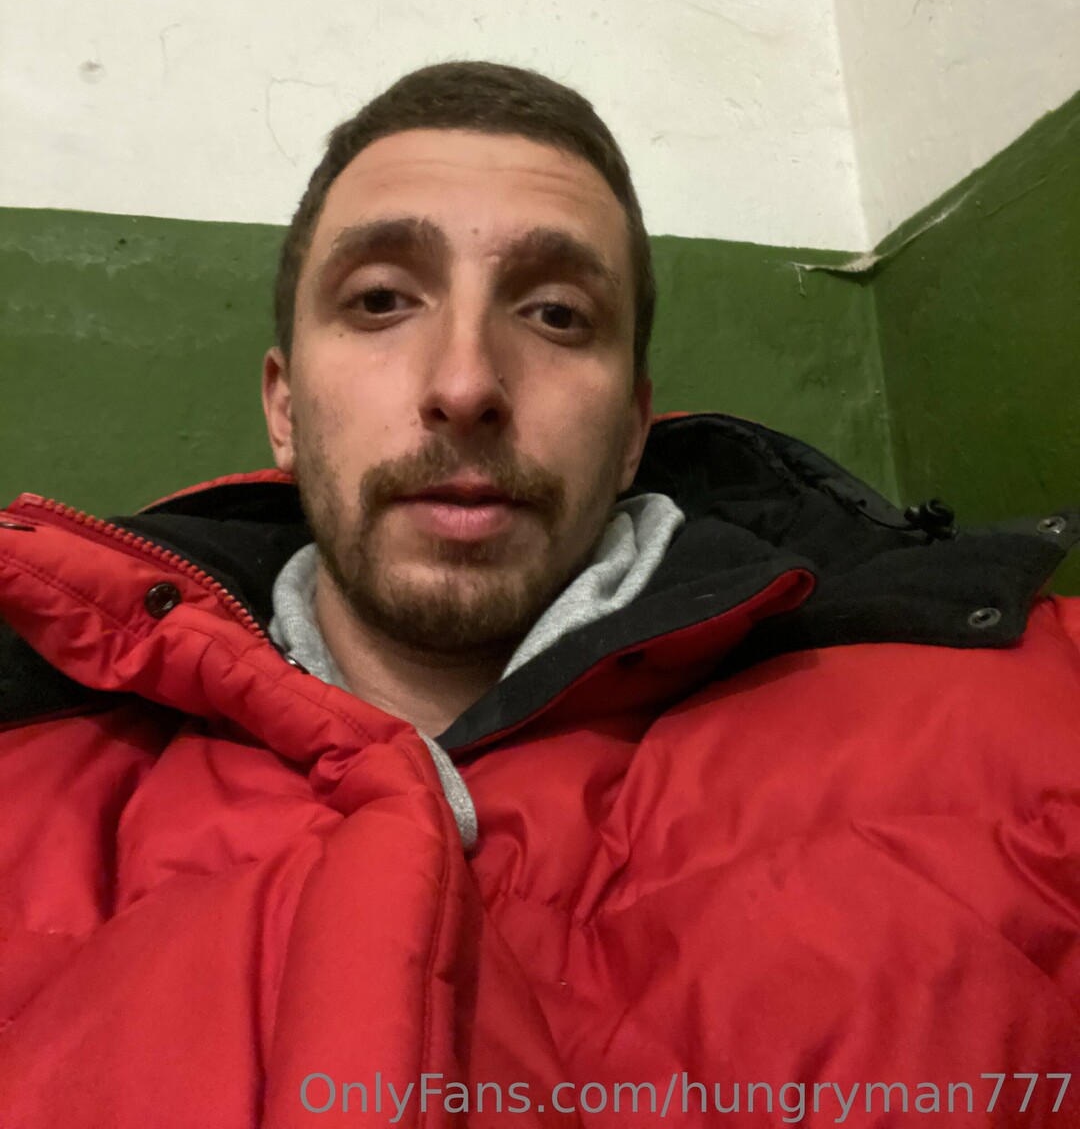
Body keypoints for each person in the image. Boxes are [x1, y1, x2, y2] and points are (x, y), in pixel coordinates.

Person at [1, 60, 1077, 1129]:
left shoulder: (1036, 718)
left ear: (633, 432)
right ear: (284, 409)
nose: (466, 384)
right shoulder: (29, 780)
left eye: (557, 314)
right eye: (380, 301)